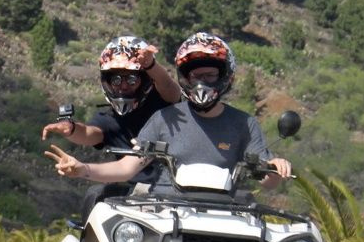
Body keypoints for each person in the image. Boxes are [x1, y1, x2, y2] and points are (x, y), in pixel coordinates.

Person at [45, 32, 292, 192]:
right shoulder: (165, 119)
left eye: (209, 75)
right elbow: (125, 168)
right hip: (165, 211)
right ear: (184, 77)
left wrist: (274, 166)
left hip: (226, 213)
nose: (201, 83)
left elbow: (267, 179)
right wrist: (82, 169)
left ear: (225, 77)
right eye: (194, 76)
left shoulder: (244, 123)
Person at [41, 35, 182, 219]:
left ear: (145, 80)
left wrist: (151, 65)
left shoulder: (163, 105)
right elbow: (91, 133)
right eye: (116, 80)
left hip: (175, 191)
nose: (123, 86)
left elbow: (171, 88)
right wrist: (71, 129)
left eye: (131, 80)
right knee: (95, 196)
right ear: (106, 82)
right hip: (132, 191)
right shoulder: (109, 117)